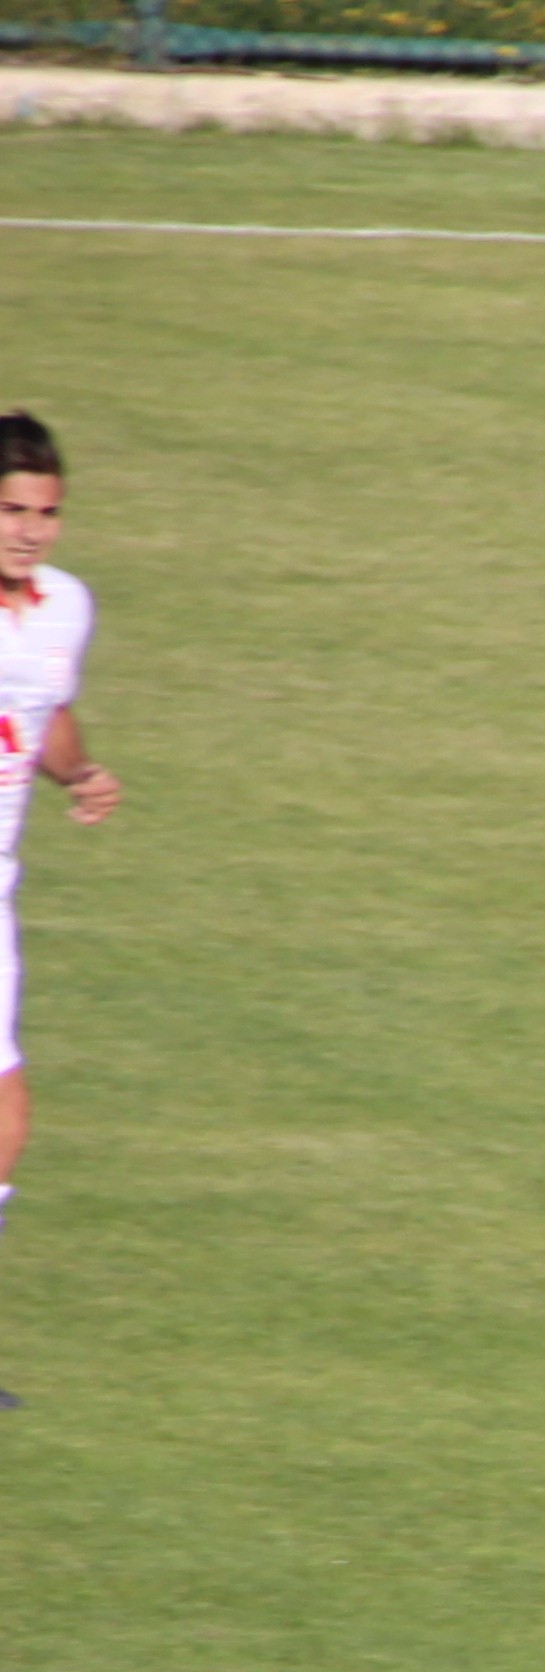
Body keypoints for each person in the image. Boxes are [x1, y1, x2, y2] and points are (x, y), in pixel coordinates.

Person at [0, 411, 131, 1407]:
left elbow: (46, 708)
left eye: (45, 512)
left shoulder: (64, 608)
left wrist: (78, 771)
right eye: (11, 509)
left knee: (7, 1119)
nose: (29, 530)